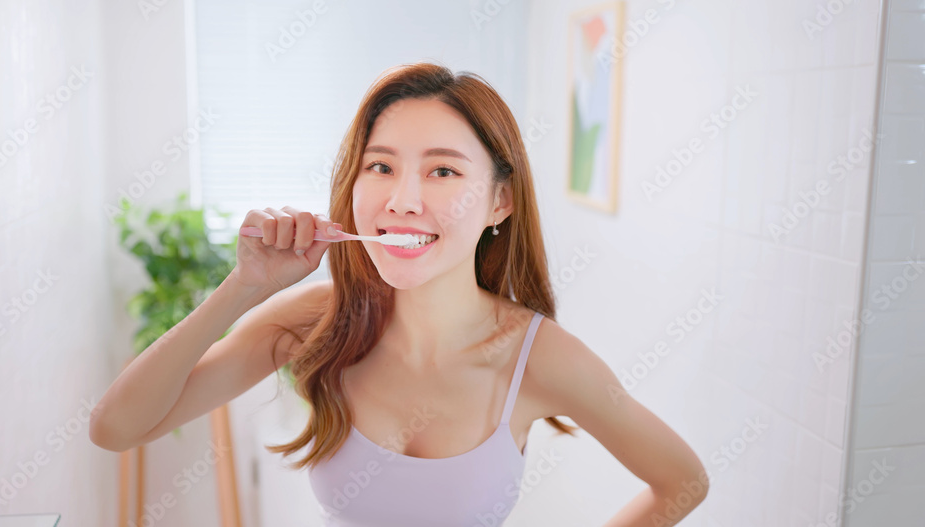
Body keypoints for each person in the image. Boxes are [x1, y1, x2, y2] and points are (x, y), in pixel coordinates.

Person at [90, 62, 708, 526]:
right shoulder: (312, 323)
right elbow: (115, 429)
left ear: (500, 201)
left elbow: (683, 481)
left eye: (442, 171)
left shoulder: (538, 358)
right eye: (380, 166)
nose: (402, 199)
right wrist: (241, 289)